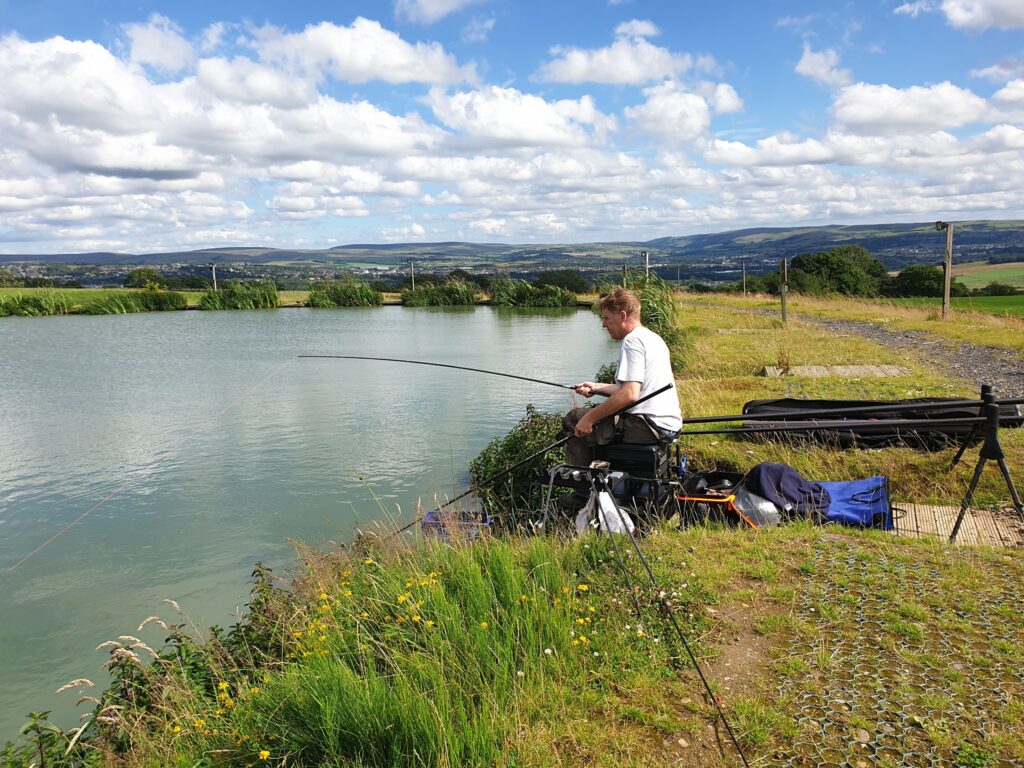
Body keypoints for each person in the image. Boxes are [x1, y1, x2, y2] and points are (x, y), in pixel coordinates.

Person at [563, 287, 682, 467]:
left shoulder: (631, 341)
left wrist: (589, 419)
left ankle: (582, 486)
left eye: (606, 318)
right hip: (667, 424)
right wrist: (595, 387)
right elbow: (633, 389)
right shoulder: (652, 338)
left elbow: (629, 394)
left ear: (622, 315)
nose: (604, 325)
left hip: (647, 426)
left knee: (574, 419)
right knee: (592, 417)